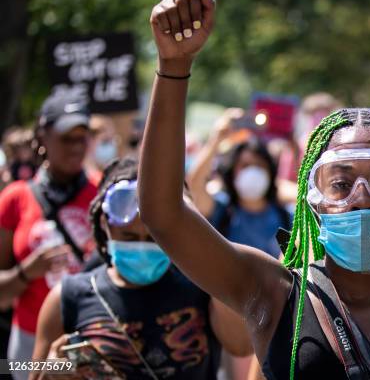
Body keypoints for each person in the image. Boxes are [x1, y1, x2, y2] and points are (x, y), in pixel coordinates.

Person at [141, 0, 370, 379]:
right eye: (341, 182)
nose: (362, 198)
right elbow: (164, 216)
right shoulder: (275, 296)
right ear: (312, 199)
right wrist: (173, 68)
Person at [31, 158, 251, 379]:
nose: (142, 248)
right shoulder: (66, 297)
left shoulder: (201, 285)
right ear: (104, 225)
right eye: (129, 237)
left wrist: (187, 213)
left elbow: (242, 346)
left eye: (154, 239)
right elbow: (15, 369)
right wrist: (53, 370)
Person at [0, 99, 98, 379]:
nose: (77, 147)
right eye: (67, 138)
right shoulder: (14, 198)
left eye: (83, 138)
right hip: (28, 346)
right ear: (42, 137)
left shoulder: (104, 193)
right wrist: (27, 272)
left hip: (89, 342)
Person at [187, 109, 291, 258]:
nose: (253, 172)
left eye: (259, 166)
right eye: (245, 166)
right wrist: (217, 138)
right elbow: (195, 183)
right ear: (232, 172)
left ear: (270, 172)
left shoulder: (287, 216)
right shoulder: (222, 210)